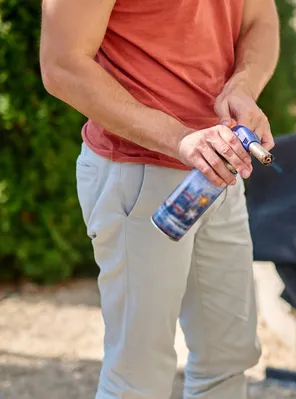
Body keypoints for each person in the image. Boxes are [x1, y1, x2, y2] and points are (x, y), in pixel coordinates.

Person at [39, 0, 279, 397]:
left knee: (228, 361)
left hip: (219, 170)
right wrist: (180, 139)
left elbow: (259, 19)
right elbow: (61, 65)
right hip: (138, 174)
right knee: (138, 377)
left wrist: (243, 85)